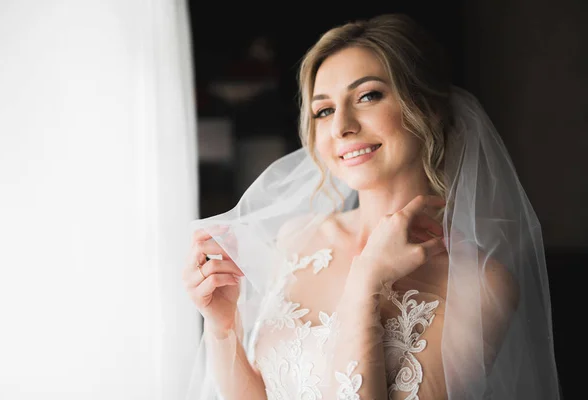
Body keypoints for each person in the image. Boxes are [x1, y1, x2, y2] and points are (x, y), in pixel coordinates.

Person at [183, 13, 560, 399]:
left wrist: (366, 281)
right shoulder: (297, 239)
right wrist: (222, 325)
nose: (342, 126)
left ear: (426, 108)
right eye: (324, 110)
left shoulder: (480, 284)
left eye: (367, 96)